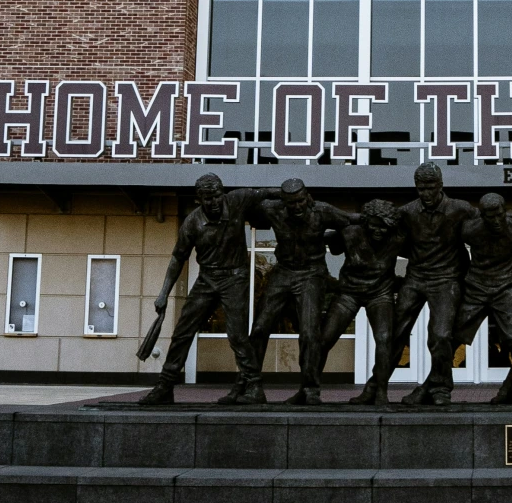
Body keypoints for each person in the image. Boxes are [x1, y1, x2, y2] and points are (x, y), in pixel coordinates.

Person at [137, 173, 271, 407]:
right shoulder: (192, 222)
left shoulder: (237, 200)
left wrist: (297, 193)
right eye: (208, 198)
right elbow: (178, 259)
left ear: (223, 193)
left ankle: (254, 386)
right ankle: (165, 387)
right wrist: (163, 293)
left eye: (217, 196)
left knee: (237, 335)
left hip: (235, 278)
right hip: (207, 278)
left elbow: (269, 192)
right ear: (199, 199)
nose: (214, 202)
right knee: (182, 332)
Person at [243, 177, 353, 405]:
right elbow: (243, 201)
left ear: (308, 198)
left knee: (310, 332)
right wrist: (272, 190)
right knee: (260, 327)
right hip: (283, 272)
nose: (297, 207)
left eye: (301, 201)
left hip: (311, 274)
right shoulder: (273, 209)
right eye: (291, 203)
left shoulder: (322, 211)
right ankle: (250, 385)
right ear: (284, 203)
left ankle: (310, 389)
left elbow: (351, 221)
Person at [387, 162, 475, 408]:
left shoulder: (460, 209)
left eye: (430, 187)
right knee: (394, 332)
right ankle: (378, 385)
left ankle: (440, 387)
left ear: (441, 185)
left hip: (447, 279)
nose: (426, 193)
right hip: (416, 277)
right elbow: (390, 241)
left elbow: (483, 234)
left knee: (441, 335)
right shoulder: (406, 212)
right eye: (421, 188)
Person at [314, 198, 404, 406]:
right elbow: (322, 240)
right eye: (374, 225)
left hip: (379, 294)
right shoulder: (350, 232)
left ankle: (380, 392)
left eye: (384, 226)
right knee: (324, 339)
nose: (379, 231)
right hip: (348, 293)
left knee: (384, 340)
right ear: (366, 222)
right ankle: (310, 388)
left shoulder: (399, 238)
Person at [456, 192, 512, 406]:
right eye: (489, 216)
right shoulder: (469, 230)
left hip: (506, 288)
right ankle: (438, 383)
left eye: (499, 215)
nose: (495, 221)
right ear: (481, 216)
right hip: (476, 287)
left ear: (505, 211)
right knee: (450, 338)